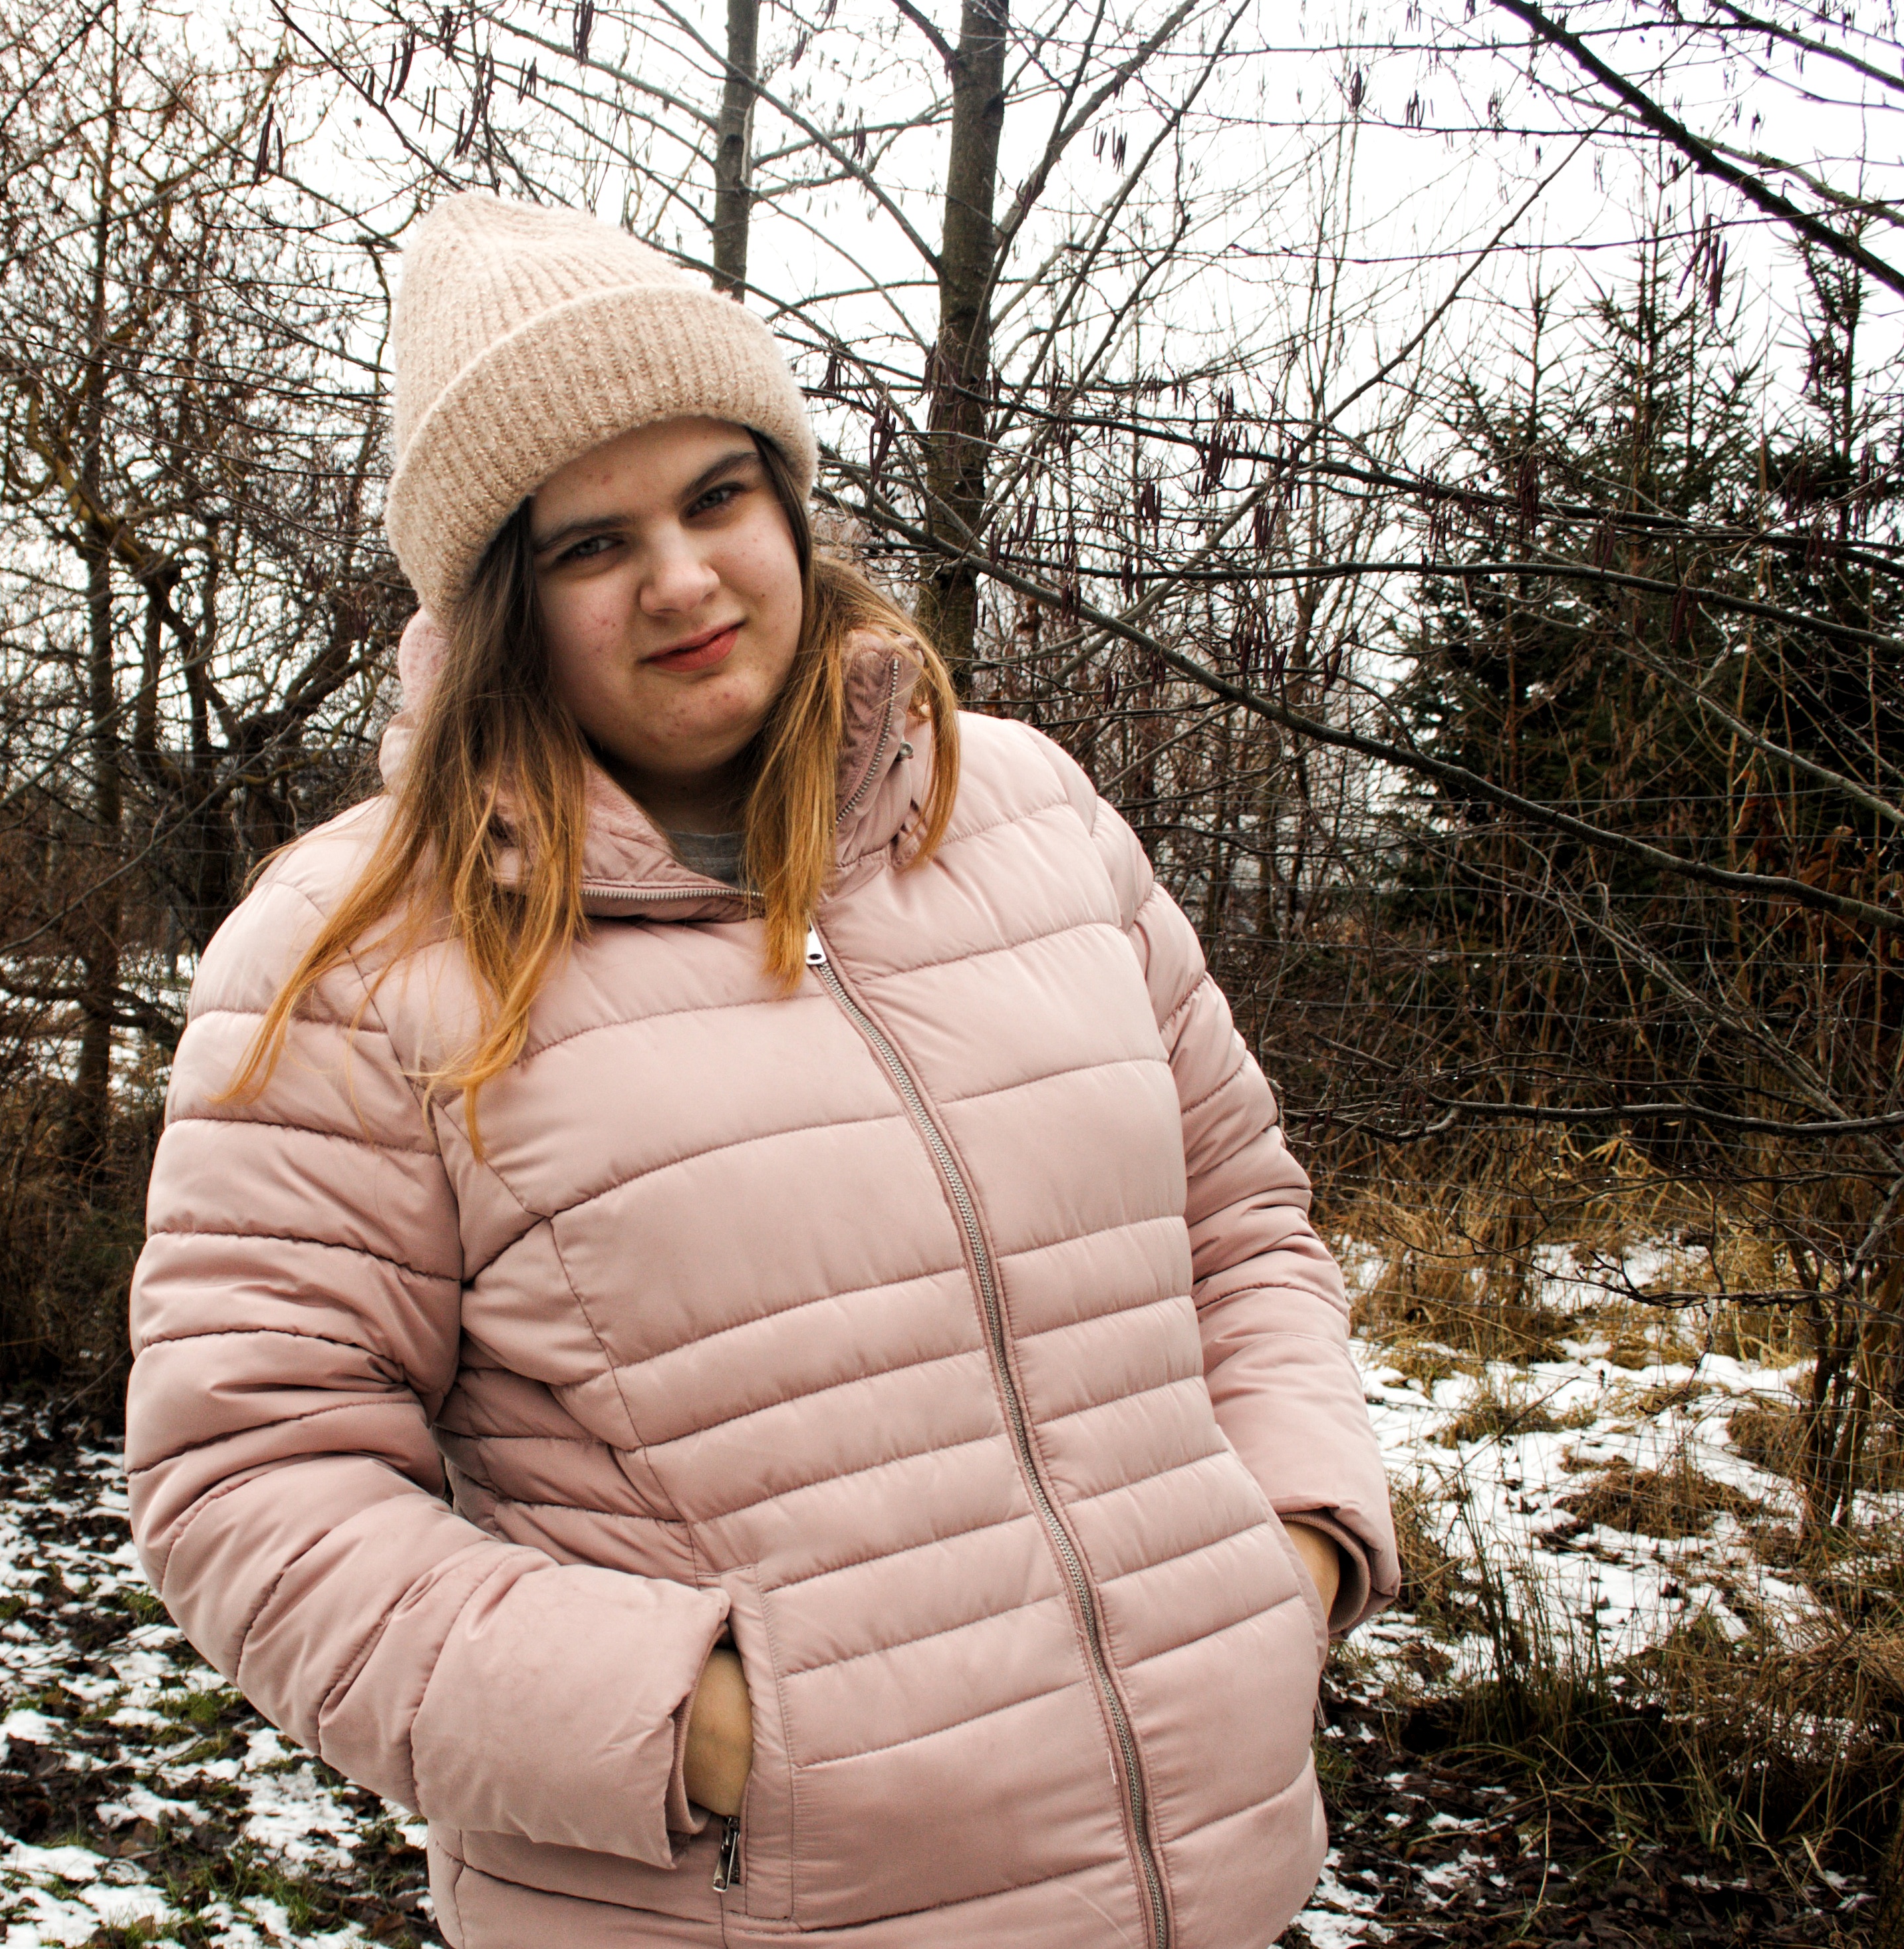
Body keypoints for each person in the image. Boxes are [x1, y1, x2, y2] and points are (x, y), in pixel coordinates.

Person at [125, 192, 1397, 1949]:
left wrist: (1292, 1545)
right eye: (590, 543)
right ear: (501, 606)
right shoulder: (356, 956)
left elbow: (1240, 1225)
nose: (681, 577)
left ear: (787, 505)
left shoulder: (1022, 812)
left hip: (1210, 1876)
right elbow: (250, 1479)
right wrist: (700, 1729)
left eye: (717, 495)